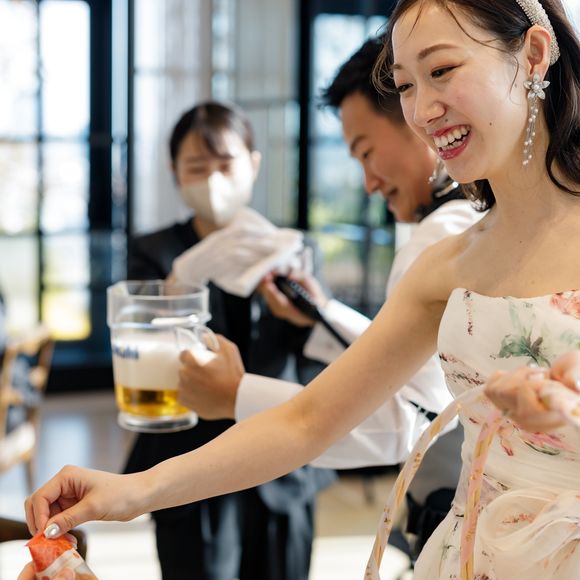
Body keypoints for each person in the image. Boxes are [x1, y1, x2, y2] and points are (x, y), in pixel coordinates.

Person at [19, 1, 580, 579]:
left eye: (442, 71)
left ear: (534, 55)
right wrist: (132, 491)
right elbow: (307, 421)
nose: (420, 111)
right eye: (406, 86)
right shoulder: (445, 266)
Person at [176, 37, 482, 560]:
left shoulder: (436, 240)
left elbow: (405, 415)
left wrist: (236, 395)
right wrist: (323, 315)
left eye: (365, 152)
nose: (368, 183)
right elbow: (427, 365)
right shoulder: (482, 219)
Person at [120, 101, 336, 580]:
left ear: (253, 165)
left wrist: (306, 314)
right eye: (197, 167)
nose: (213, 180)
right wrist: (182, 280)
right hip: (188, 458)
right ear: (175, 172)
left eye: (226, 164)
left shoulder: (292, 249)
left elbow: (324, 360)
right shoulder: (154, 252)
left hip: (282, 457)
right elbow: (140, 353)